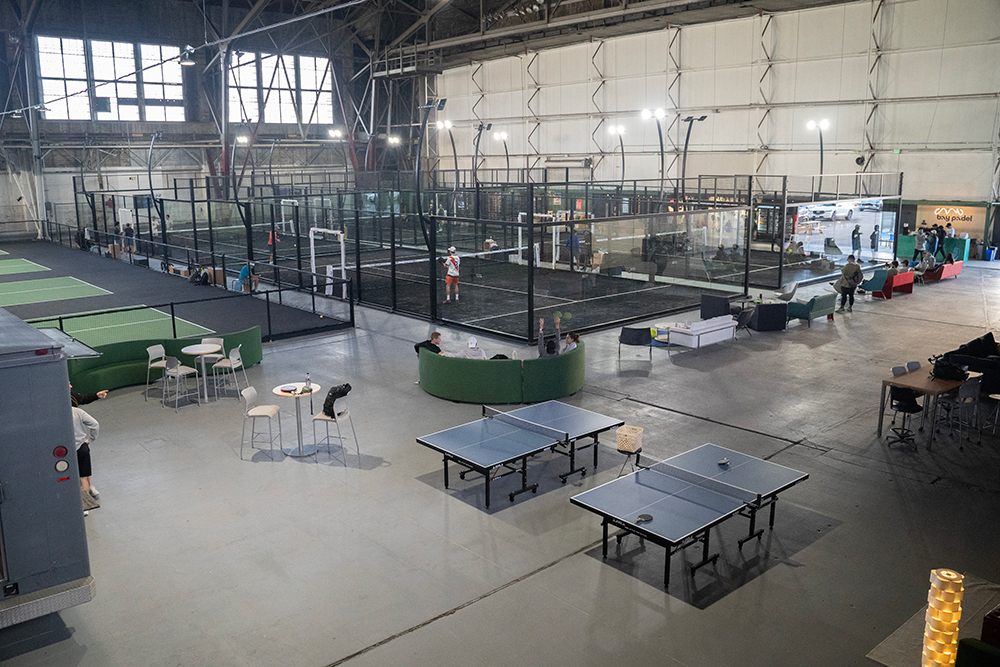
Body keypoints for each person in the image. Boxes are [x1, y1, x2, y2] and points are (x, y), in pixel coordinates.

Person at [72, 406, 99, 511]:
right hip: (81, 447)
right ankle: (86, 506)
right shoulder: (77, 411)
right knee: (83, 477)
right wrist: (91, 439)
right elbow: (95, 424)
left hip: (66, 450)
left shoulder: (54, 414)